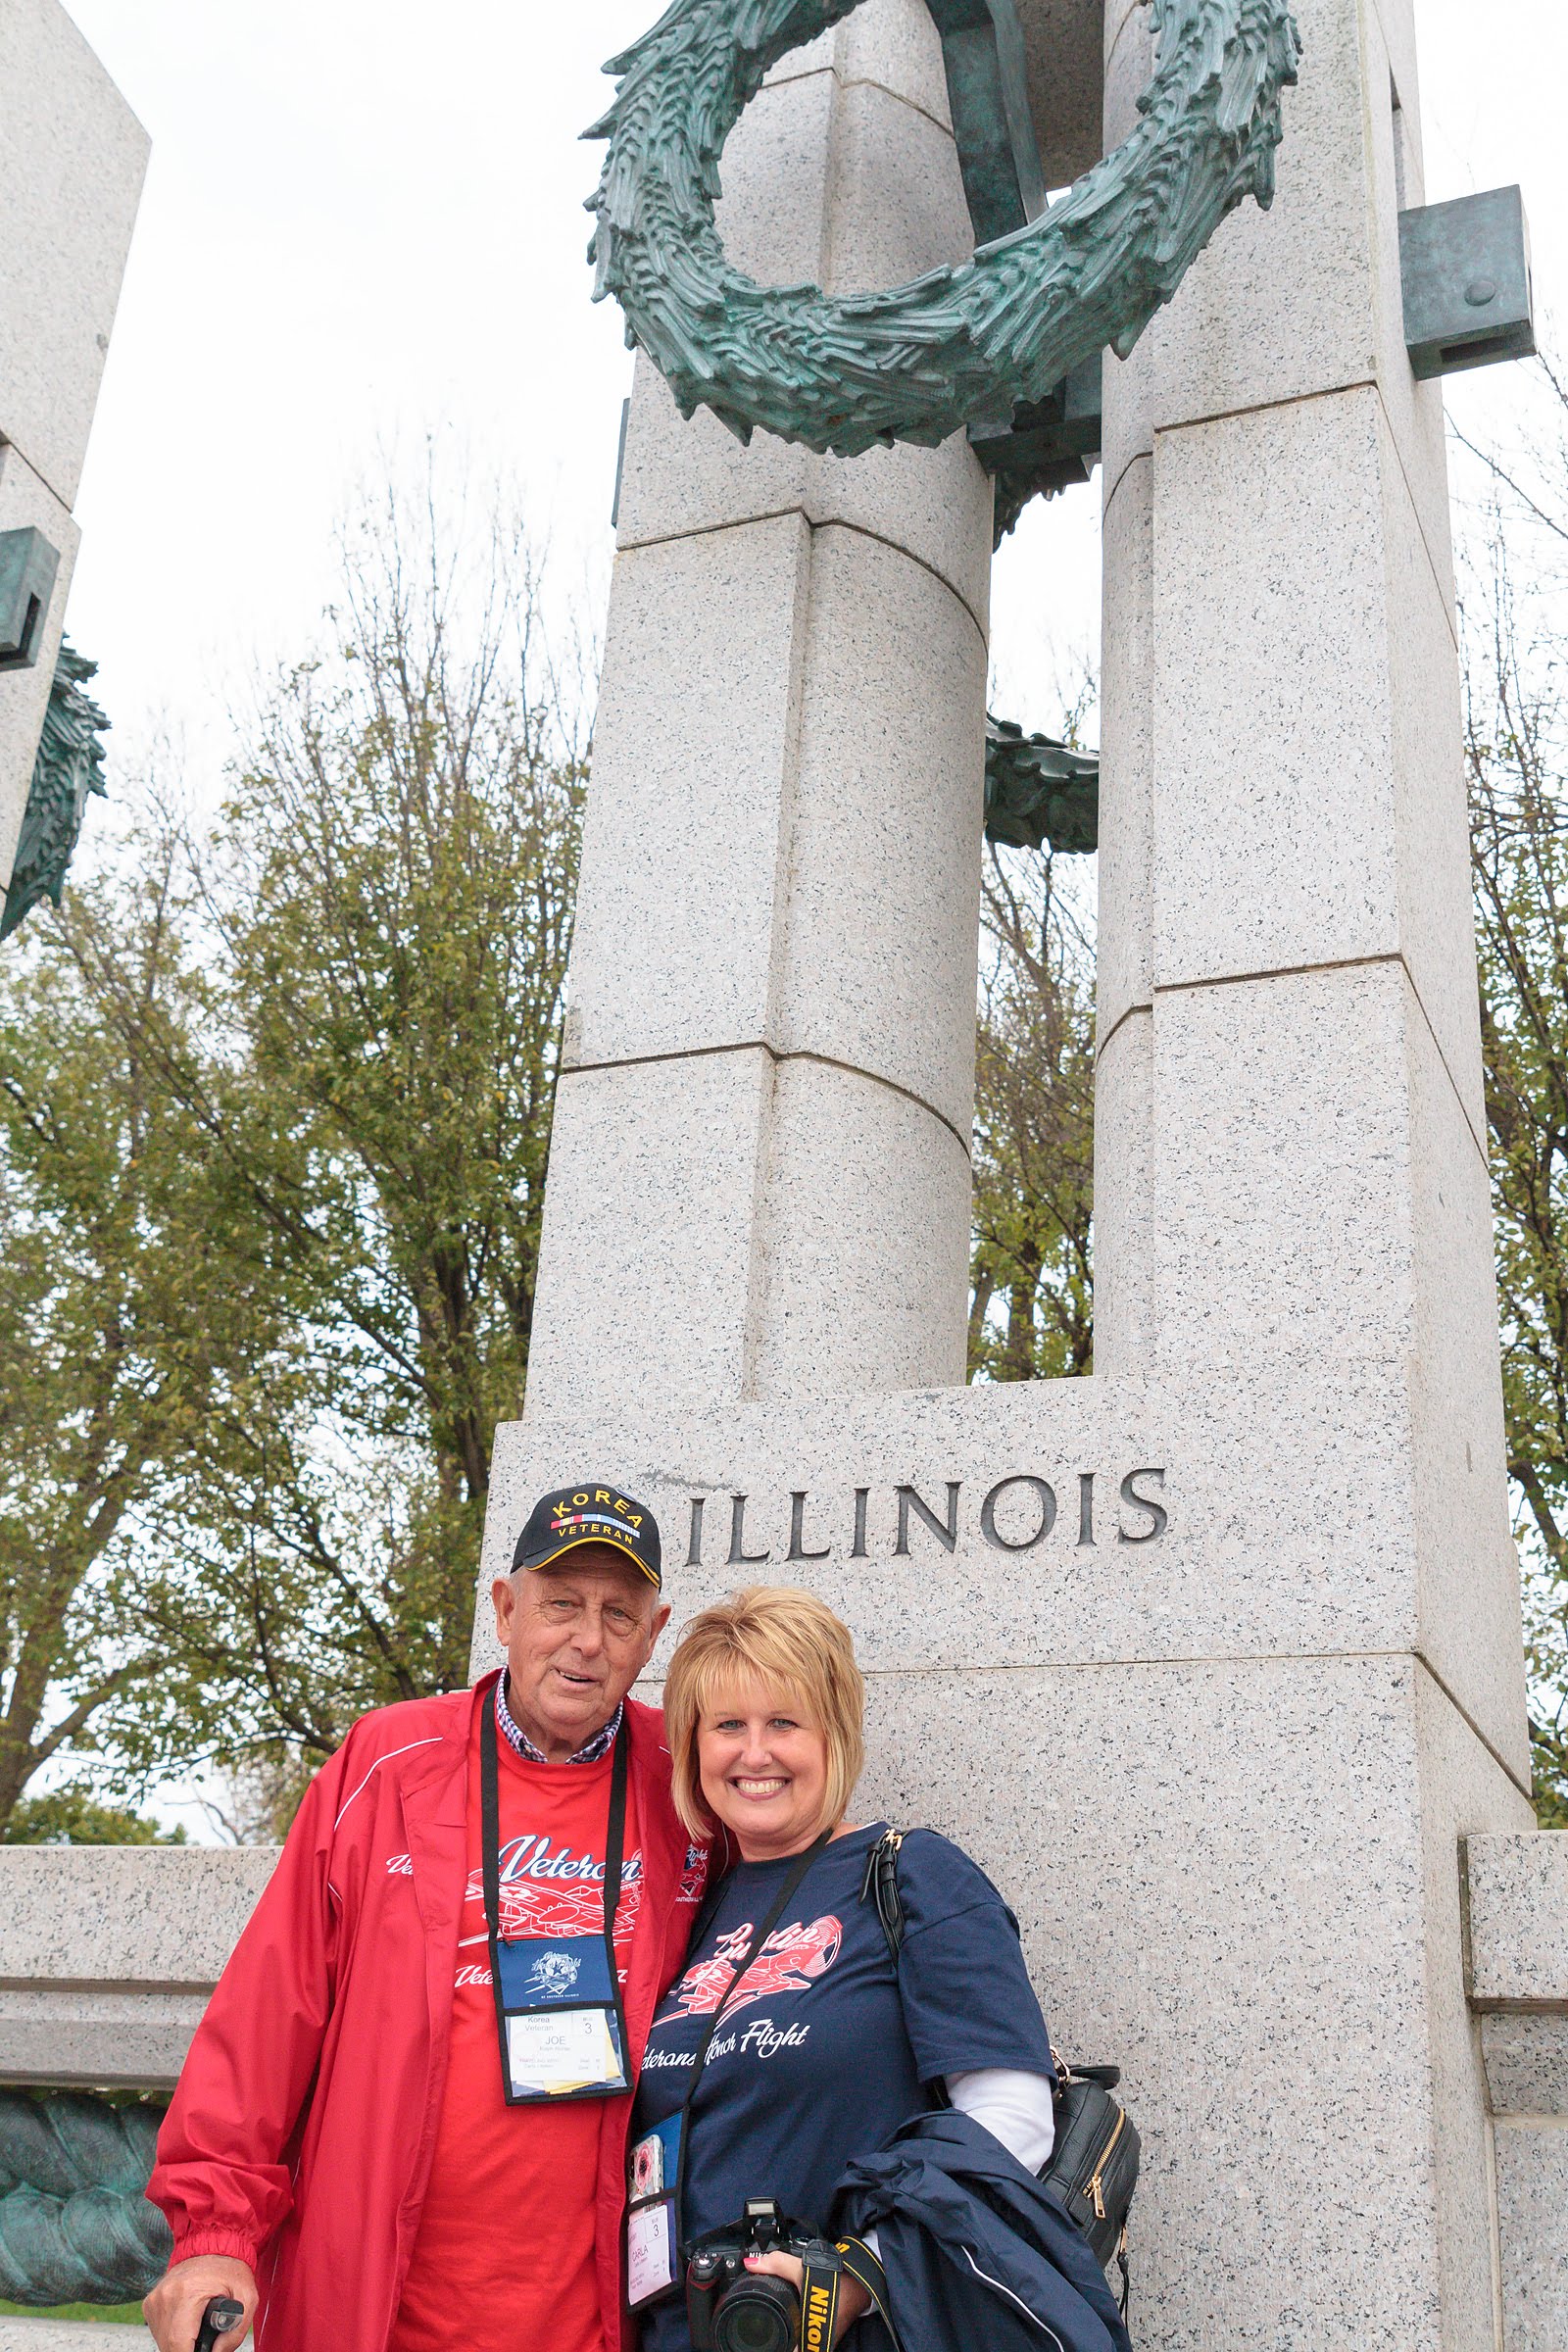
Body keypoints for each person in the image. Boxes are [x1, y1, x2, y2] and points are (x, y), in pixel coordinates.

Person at [143, 1484, 705, 2352]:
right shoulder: (387, 1760)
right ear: (506, 1609)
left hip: (597, 2318)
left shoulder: (688, 1780)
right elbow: (267, 2018)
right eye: (561, 1604)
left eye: (618, 1615)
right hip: (371, 2303)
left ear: (654, 1632)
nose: (587, 1640)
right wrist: (216, 2237)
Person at [629, 1586, 1124, 2352]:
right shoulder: (690, 1907)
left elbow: (1013, 2119)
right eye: (727, 1725)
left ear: (835, 1733)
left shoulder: (912, 1874)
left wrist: (858, 2273)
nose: (753, 1753)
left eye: (783, 1723)